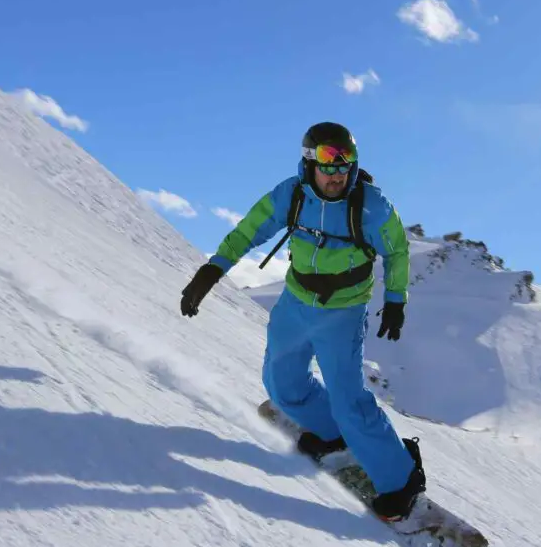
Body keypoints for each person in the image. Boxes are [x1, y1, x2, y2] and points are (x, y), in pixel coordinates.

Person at [179, 121, 426, 522]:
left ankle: (402, 480)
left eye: (346, 162)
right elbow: (249, 230)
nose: (338, 171)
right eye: (329, 160)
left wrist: (396, 300)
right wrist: (212, 270)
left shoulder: (371, 206)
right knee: (281, 384)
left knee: (350, 400)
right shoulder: (291, 196)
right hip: (295, 302)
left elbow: (397, 251)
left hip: (343, 313)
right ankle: (330, 434)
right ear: (310, 160)